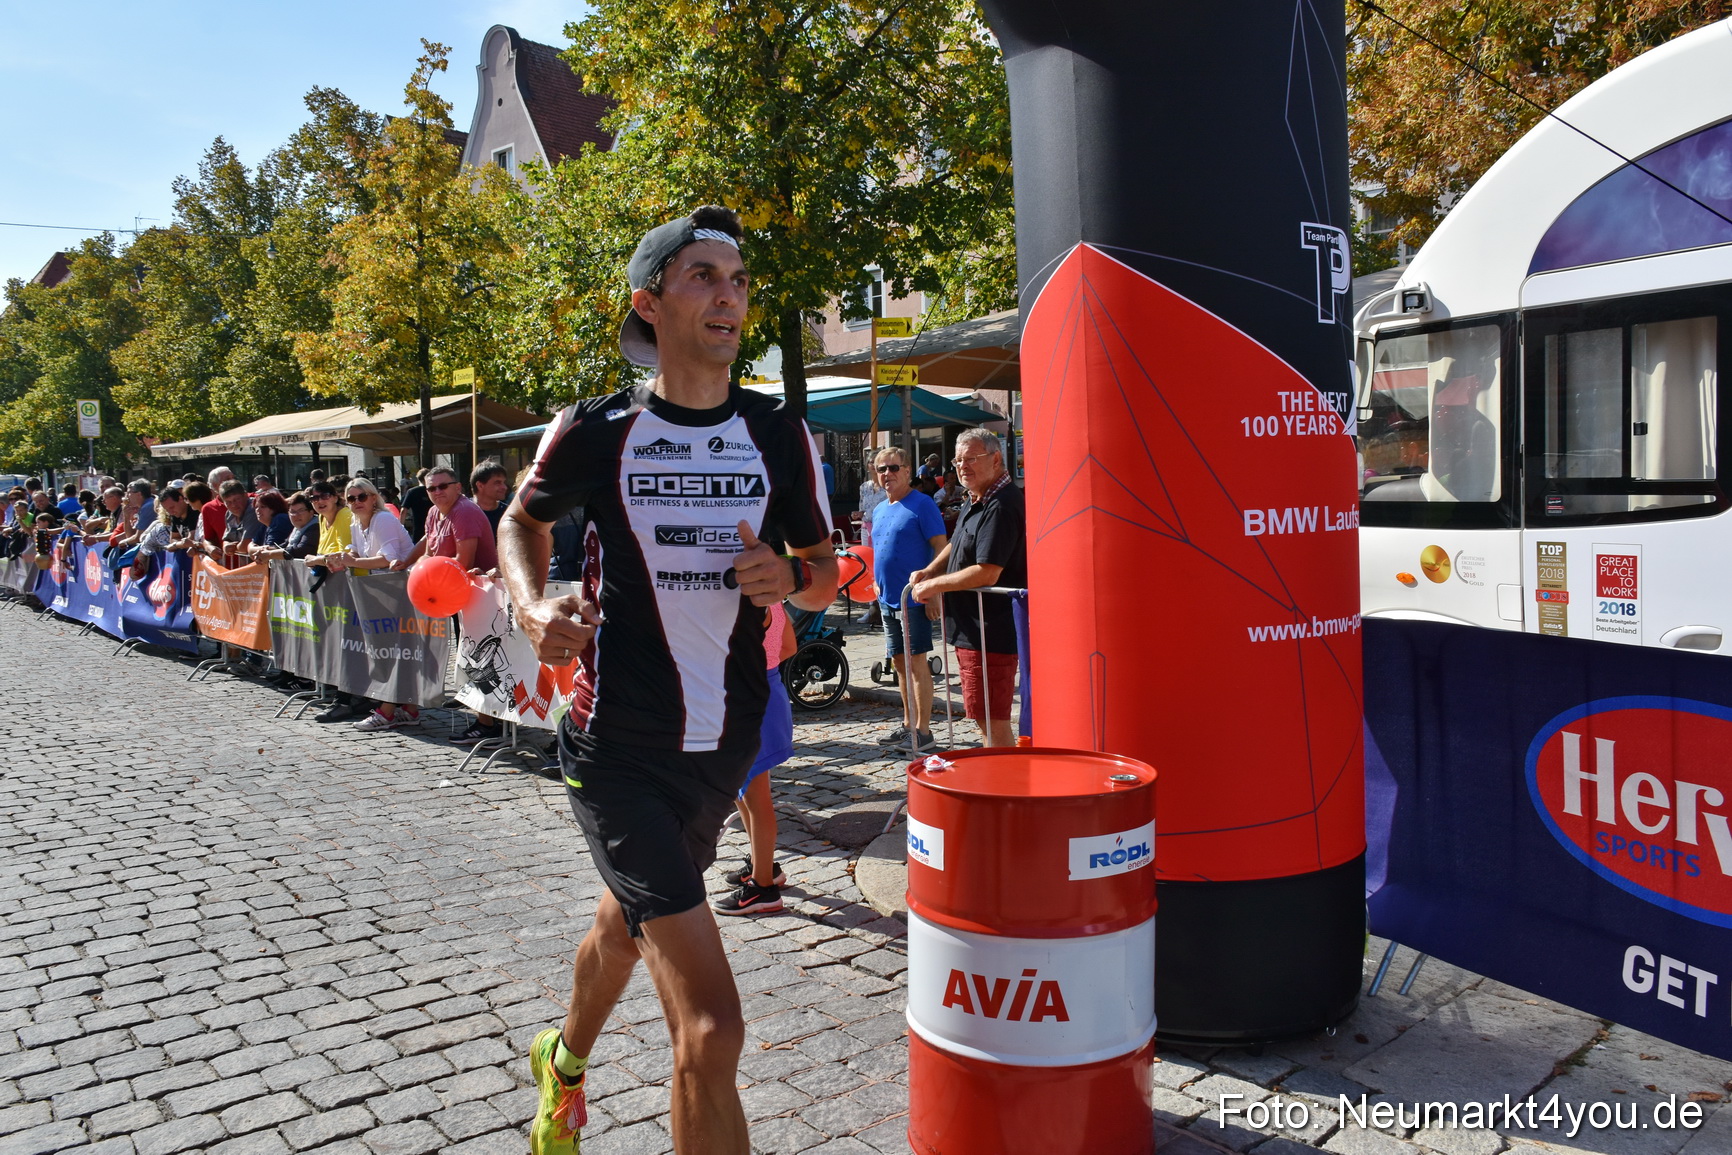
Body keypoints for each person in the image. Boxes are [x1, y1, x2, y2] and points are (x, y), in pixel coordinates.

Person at [496, 205, 837, 1155]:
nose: (727, 294)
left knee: (627, 922)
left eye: (735, 278)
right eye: (702, 276)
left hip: (721, 745)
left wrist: (792, 580)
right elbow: (522, 524)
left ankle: (560, 1061)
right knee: (712, 1027)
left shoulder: (779, 432)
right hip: (619, 751)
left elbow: (824, 564)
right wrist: (532, 607)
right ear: (651, 303)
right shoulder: (599, 429)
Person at [911, 428, 1027, 748]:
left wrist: (935, 585)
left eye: (972, 459)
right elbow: (957, 542)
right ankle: (1001, 785)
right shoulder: (977, 496)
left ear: (996, 459)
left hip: (990, 631)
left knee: (991, 718)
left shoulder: (1000, 503)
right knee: (983, 715)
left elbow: (987, 572)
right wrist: (930, 570)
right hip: (974, 629)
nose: (963, 466)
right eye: (959, 460)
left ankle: (1005, 791)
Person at [712, 603, 797, 916]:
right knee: (743, 793)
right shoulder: (774, 600)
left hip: (746, 700)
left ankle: (763, 888)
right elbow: (789, 645)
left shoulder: (740, 602)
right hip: (765, 690)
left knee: (756, 799)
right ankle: (764, 866)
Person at [870, 446, 947, 751]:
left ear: (906, 470)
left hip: (914, 598)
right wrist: (876, 583)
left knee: (917, 663)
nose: (887, 473)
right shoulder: (879, 509)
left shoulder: (922, 504)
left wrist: (934, 592)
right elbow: (881, 551)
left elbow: (941, 549)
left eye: (892, 467)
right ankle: (907, 725)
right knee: (899, 663)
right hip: (889, 599)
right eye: (881, 469)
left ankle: (924, 732)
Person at [338, 478, 419, 731]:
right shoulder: (356, 521)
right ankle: (409, 708)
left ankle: (387, 711)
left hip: (401, 591)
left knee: (392, 651)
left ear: (374, 498)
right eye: (351, 499)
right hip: (386, 591)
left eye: (362, 496)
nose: (356, 502)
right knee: (397, 651)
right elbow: (356, 550)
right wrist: (345, 556)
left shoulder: (382, 519)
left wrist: (349, 562)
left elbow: (387, 559)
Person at [394, 467, 497, 574]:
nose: (437, 492)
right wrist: (410, 565)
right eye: (432, 489)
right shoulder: (433, 511)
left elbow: (464, 564)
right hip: (446, 581)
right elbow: (428, 554)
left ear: (458, 487)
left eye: (443, 486)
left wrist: (424, 568)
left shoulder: (464, 510)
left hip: (478, 585)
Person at [251, 491, 318, 562]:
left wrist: (269, 554)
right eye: (292, 512)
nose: (296, 515)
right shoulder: (297, 529)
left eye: (301, 511)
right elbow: (284, 545)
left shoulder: (316, 527)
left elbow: (300, 550)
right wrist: (265, 551)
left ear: (311, 513)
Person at [470, 460, 511, 538]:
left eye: (504, 482)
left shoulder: (508, 513)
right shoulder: (464, 512)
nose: (504, 487)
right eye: (497, 483)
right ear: (480, 486)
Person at [201, 467, 236, 543]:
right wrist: (209, 547)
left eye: (234, 478)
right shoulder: (208, 508)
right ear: (215, 485)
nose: (233, 482)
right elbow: (209, 538)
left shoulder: (250, 500)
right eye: (227, 479)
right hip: (226, 554)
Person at [399, 468, 432, 540]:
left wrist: (400, 526)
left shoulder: (412, 492)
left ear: (418, 479)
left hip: (418, 527)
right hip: (433, 527)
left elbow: (403, 511)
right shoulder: (433, 490)